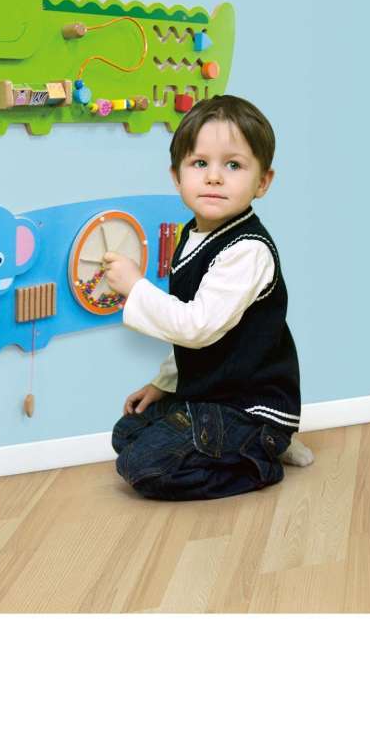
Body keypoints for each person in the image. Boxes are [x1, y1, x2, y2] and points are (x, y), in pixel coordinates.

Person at [101, 94, 313, 501]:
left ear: (262, 182)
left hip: (247, 407)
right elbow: (186, 321)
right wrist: (164, 383)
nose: (214, 177)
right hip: (210, 397)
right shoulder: (192, 235)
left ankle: (262, 454)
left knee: (139, 465)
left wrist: (135, 287)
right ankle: (249, 447)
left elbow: (196, 327)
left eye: (233, 165)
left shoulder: (247, 250)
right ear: (177, 176)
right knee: (127, 433)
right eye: (200, 163)